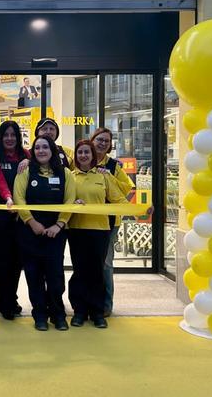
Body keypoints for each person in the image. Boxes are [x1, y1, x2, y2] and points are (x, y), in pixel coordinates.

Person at [68, 139, 148, 329]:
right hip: (76, 230)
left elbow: (119, 199)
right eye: (80, 153)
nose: (83, 156)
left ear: (92, 155)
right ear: (76, 156)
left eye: (87, 152)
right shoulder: (70, 176)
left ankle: (97, 312)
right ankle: (79, 311)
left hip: (100, 230)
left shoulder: (104, 176)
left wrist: (140, 210)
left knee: (97, 272)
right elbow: (64, 199)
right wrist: (73, 203)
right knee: (79, 271)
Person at [12, 135, 74, 331]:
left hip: (55, 234)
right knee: (34, 276)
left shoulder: (65, 173)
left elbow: (70, 201)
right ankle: (39, 315)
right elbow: (18, 198)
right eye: (37, 147)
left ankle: (58, 315)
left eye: (45, 147)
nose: (41, 151)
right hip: (30, 232)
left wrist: (59, 225)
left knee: (55, 277)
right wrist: (32, 222)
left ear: (52, 150)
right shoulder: (25, 171)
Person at [0, 121, 28, 320]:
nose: (9, 138)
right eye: (6, 135)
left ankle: (12, 298)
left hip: (21, 216)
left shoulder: (27, 156)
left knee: (17, 261)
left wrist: (30, 162)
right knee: (2, 261)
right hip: (0, 215)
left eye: (13, 135)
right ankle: (5, 303)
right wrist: (9, 198)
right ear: (0, 138)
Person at [91, 127, 135, 317]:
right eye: (99, 139)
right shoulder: (82, 160)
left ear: (110, 146)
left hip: (109, 222)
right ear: (92, 140)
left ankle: (106, 305)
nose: (102, 143)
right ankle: (87, 302)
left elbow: (126, 190)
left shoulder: (114, 166)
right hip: (85, 220)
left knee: (106, 264)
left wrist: (108, 178)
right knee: (87, 264)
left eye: (106, 141)